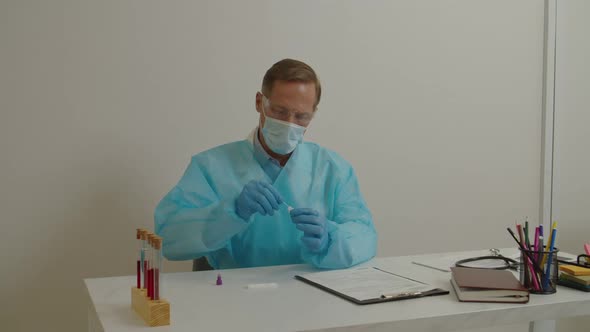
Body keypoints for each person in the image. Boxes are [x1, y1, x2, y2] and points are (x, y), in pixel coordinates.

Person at [154, 59, 377, 269]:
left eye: (301, 117)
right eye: (279, 111)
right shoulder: (211, 167)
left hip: (311, 295)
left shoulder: (333, 169)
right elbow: (169, 238)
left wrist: (331, 237)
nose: (289, 124)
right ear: (260, 102)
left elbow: (365, 236)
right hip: (232, 297)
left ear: (313, 114)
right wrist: (231, 212)